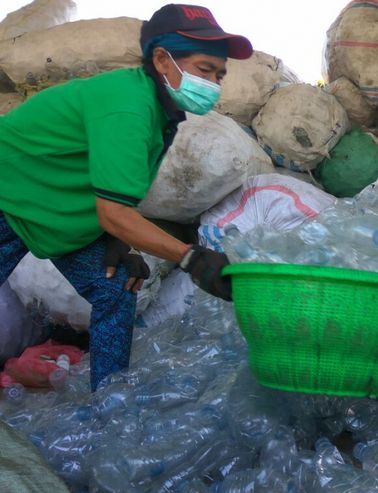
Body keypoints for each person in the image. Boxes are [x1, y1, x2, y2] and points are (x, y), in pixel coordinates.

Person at [0, 4, 253, 391]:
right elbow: (113, 211)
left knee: (115, 290)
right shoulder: (127, 106)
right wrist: (191, 257)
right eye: (205, 70)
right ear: (162, 59)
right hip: (9, 195)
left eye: (219, 74)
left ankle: (110, 404)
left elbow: (114, 189)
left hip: (43, 206)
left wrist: (116, 242)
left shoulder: (159, 113)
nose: (215, 83)